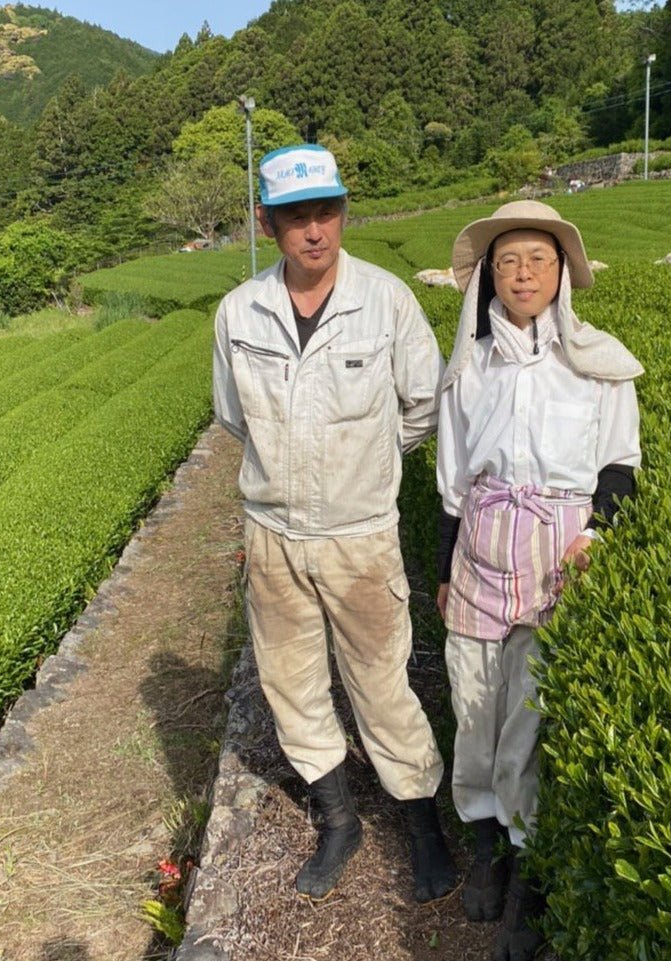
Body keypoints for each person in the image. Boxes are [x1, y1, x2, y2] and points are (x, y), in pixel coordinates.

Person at [212, 144, 457, 904]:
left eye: (326, 213)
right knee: (291, 682)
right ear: (268, 224)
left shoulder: (386, 301)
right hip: (273, 534)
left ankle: (420, 821)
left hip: (360, 534)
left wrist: (367, 464)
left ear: (344, 214)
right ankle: (338, 819)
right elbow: (233, 415)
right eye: (296, 218)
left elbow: (423, 404)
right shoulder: (239, 312)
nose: (313, 231)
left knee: (381, 681)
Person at [435, 200, 643, 961]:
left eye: (538, 260)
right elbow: (452, 477)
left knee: (530, 709)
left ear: (562, 272)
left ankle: (530, 866)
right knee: (474, 702)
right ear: (489, 276)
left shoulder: (599, 364)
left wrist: (596, 535)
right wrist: (445, 569)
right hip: (482, 545)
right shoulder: (470, 368)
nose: (522, 274)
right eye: (507, 262)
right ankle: (486, 839)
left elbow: (620, 462)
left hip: (560, 549)